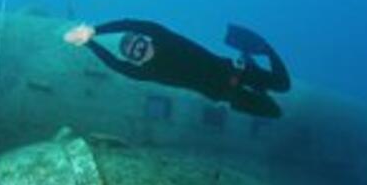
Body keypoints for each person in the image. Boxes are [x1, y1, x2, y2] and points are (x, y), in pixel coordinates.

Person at [64, 19, 291, 118]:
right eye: (134, 53)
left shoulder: (164, 38)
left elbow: (132, 23)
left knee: (284, 85)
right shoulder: (146, 72)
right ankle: (258, 84)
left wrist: (94, 31)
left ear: (147, 39)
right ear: (134, 60)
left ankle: (264, 49)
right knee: (274, 112)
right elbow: (114, 64)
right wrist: (89, 44)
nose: (139, 50)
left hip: (235, 70)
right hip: (228, 95)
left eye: (139, 43)